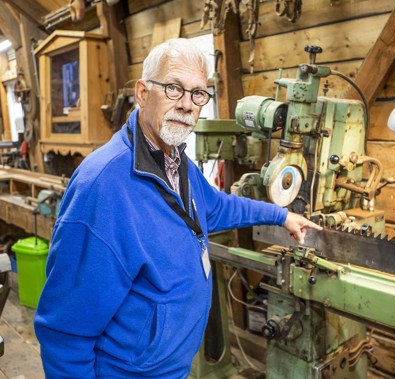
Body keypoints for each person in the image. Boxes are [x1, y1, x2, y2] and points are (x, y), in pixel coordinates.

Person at [34, 38, 322, 378]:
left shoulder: (174, 161)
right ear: (142, 93)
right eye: (174, 88)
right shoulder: (103, 187)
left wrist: (282, 215)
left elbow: (216, 208)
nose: (187, 104)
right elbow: (65, 334)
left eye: (198, 93)